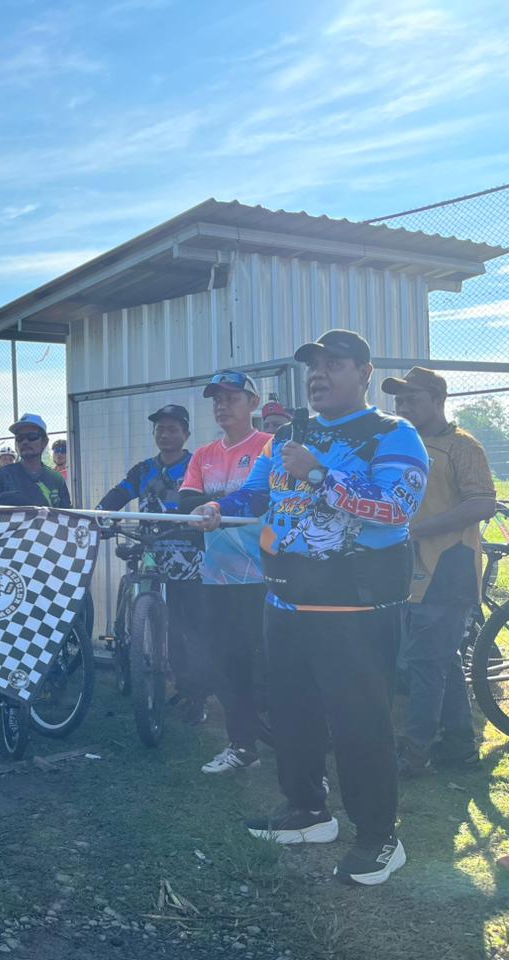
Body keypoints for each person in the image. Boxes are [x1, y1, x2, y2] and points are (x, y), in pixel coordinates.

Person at [196, 329, 425, 887]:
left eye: (335, 364)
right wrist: (218, 507)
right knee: (294, 716)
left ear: (365, 373)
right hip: (285, 600)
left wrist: (319, 474)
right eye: (313, 367)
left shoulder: (393, 434)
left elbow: (396, 510)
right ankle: (305, 811)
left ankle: (378, 838)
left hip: (356, 607)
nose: (319, 375)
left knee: (360, 725)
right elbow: (256, 494)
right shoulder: (289, 435)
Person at [383, 366, 496, 774]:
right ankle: (459, 745)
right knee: (440, 659)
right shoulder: (403, 444)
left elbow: (483, 503)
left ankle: (416, 751)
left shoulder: (461, 445)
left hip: (450, 566)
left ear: (438, 398)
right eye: (399, 400)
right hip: (412, 569)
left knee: (424, 662)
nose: (403, 406)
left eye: (412, 398)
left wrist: (416, 530)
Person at [177, 372, 271, 774]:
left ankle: (289, 740)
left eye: (231, 397)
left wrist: (214, 505)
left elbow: (264, 496)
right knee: (227, 664)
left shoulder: (270, 446)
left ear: (253, 403)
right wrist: (210, 505)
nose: (222, 405)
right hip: (216, 578)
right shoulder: (203, 455)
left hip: (267, 577)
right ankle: (242, 746)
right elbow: (187, 501)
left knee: (272, 665)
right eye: (216, 399)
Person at [98, 403, 208, 722]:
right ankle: (143, 659)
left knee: (189, 630)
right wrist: (101, 516)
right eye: (160, 428)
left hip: (190, 560)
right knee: (163, 625)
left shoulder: (195, 466)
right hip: (152, 553)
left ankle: (195, 694)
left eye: (173, 428)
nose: (165, 434)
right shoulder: (143, 469)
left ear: (186, 434)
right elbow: (118, 494)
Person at [0, 414, 70, 508]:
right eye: (20, 438)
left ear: (44, 442)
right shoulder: (2, 475)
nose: (25, 442)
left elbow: (67, 516)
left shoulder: (56, 479)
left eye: (32, 436)